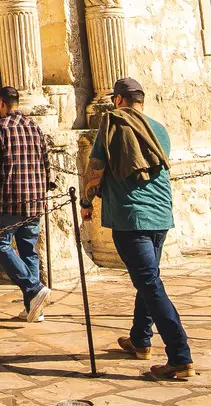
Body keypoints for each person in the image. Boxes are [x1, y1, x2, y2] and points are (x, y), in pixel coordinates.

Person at [82, 76, 192, 380]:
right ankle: (140, 340)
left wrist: (86, 200)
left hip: (132, 219)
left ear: (117, 100)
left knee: (150, 285)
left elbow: (96, 169)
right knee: (149, 280)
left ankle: (180, 356)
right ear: (141, 101)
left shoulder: (112, 123)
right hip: (161, 216)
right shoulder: (159, 130)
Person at [0, 84, 52, 322]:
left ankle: (34, 289)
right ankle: (34, 310)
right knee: (28, 250)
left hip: (9, 201)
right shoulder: (35, 127)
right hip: (35, 200)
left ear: (2, 103)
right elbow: (46, 162)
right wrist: (47, 186)